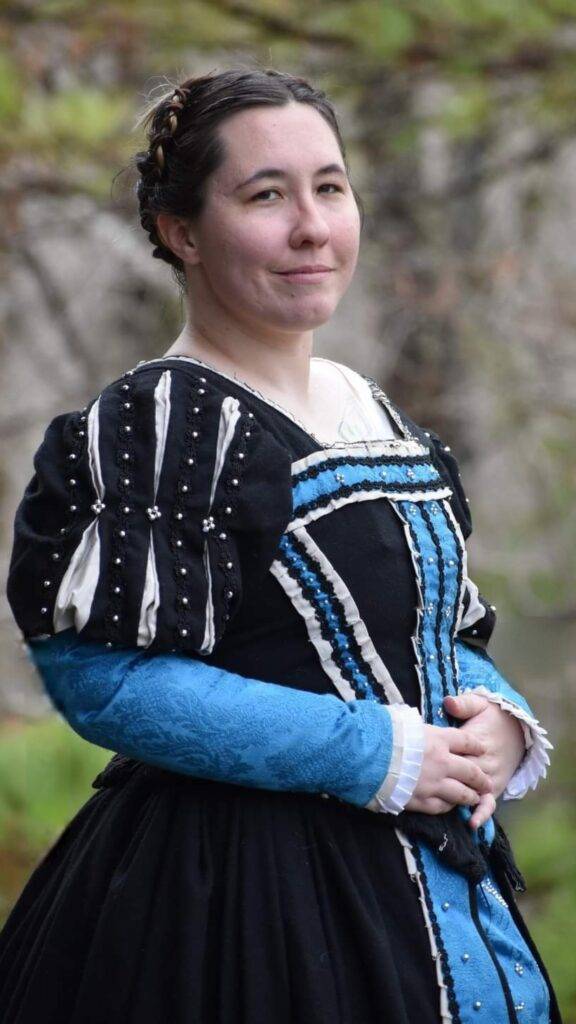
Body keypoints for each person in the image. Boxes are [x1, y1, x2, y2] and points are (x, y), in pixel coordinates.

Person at [0, 67, 561, 1024]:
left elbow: (436, 634)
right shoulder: (166, 415)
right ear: (181, 232)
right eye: (267, 196)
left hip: (438, 877)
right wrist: (377, 752)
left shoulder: (370, 407)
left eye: (330, 188)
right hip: (237, 895)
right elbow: (103, 674)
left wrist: (501, 726)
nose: (313, 227)